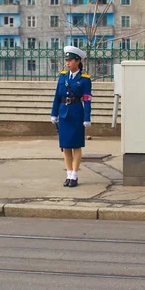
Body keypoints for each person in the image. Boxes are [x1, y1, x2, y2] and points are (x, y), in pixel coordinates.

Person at [51, 45, 92, 188]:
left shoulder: (85, 80)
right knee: (65, 146)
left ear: (78, 61)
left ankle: (74, 175)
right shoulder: (62, 76)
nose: (67, 63)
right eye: (66, 60)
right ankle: (68, 174)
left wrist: (87, 117)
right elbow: (57, 96)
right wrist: (53, 113)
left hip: (76, 114)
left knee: (76, 145)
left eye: (70, 60)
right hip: (63, 114)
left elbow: (86, 99)